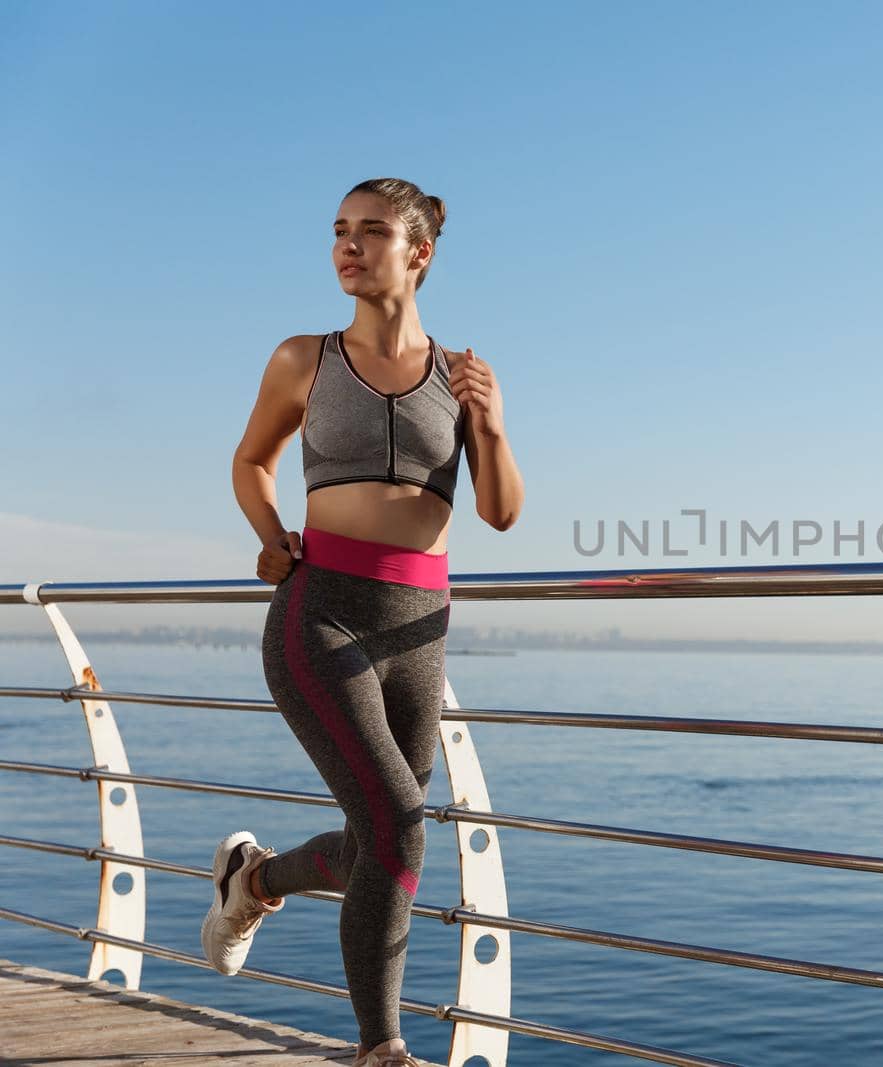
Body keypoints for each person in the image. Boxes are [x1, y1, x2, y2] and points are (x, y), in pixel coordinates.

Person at [208, 177, 525, 1067]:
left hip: (420, 628)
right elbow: (251, 460)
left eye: (371, 232)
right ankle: (380, 1047)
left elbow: (500, 511)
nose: (348, 246)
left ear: (419, 253)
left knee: (375, 841)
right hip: (321, 612)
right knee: (399, 822)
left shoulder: (460, 376)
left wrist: (491, 424)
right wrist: (270, 537)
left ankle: (255, 878)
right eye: (339, 231)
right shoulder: (302, 358)